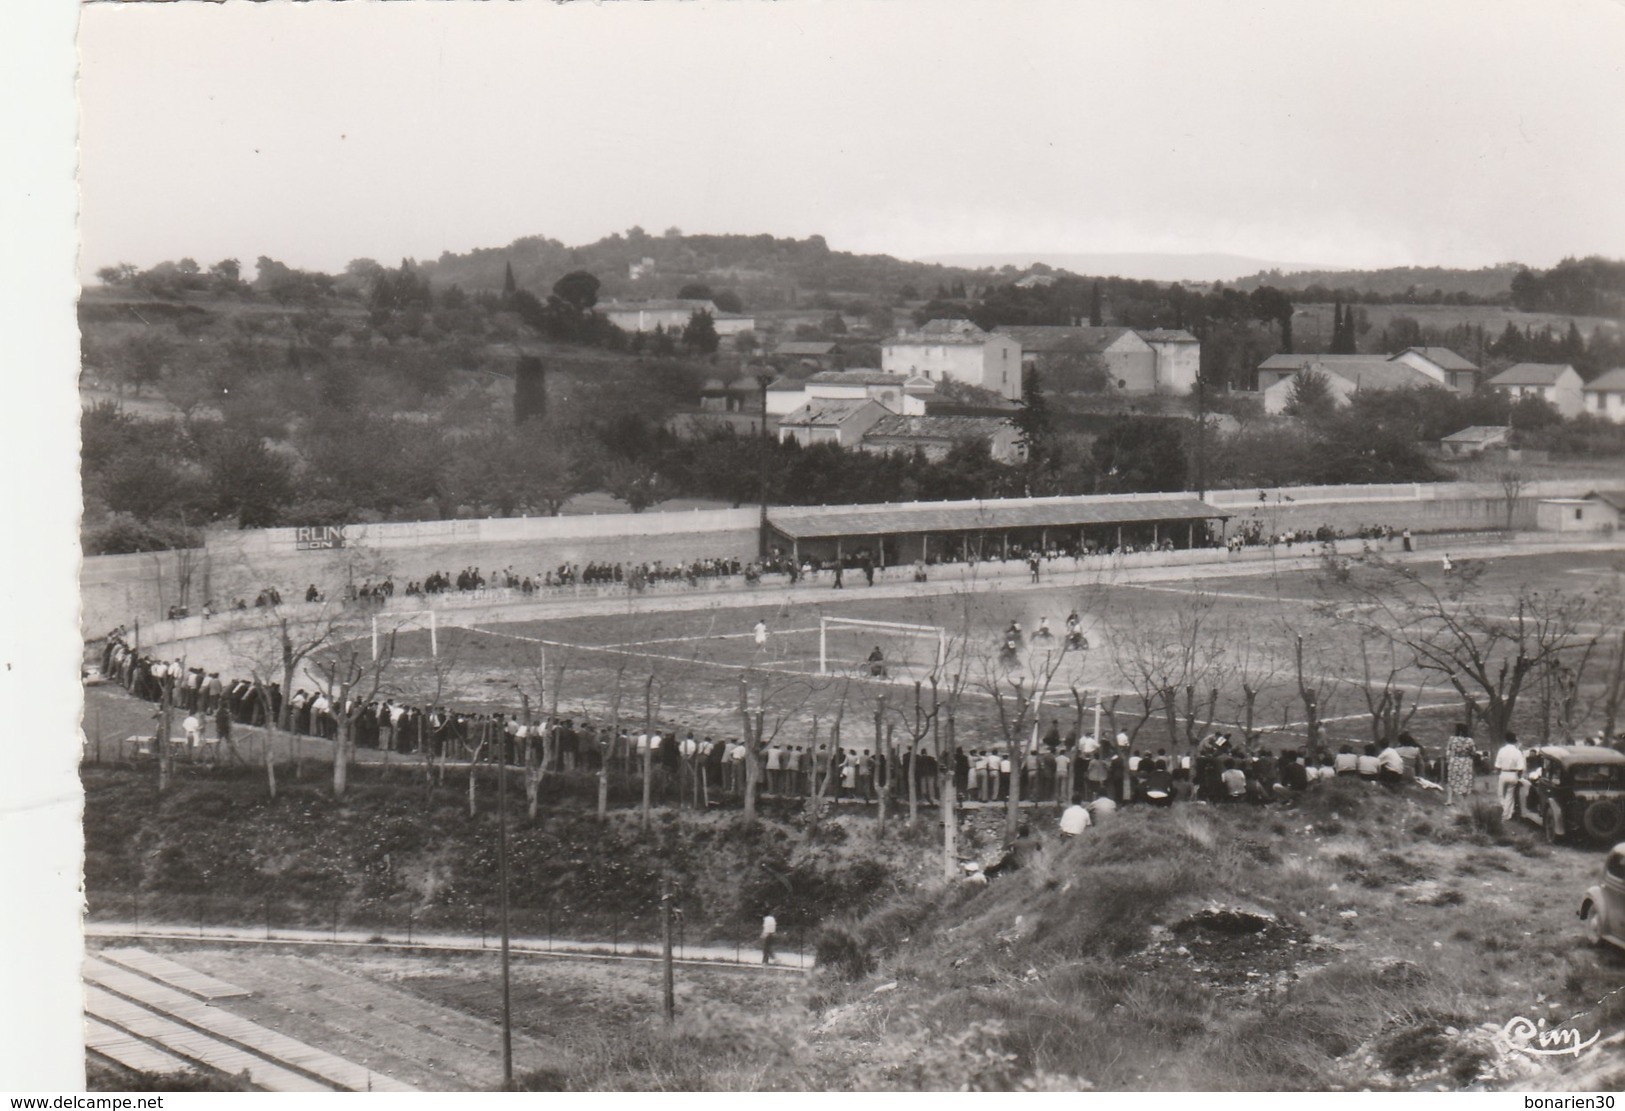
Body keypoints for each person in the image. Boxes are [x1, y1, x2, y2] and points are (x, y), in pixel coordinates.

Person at [1495, 732, 1527, 820]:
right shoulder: (1517, 752)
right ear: (1515, 741)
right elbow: (1520, 768)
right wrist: (1518, 777)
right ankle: (1507, 814)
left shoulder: (1501, 750)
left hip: (1503, 773)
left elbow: (1497, 766)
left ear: (1506, 740)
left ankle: (1505, 812)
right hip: (1513, 774)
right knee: (1510, 795)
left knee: (1501, 795)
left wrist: (1500, 774)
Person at [1445, 723, 1477, 807]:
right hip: (1466, 762)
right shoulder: (1470, 740)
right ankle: (1464, 802)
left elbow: (1448, 751)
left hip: (1454, 761)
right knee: (1465, 780)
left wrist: (1449, 760)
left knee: (1452, 780)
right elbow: (1473, 752)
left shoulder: (1452, 739)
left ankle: (1449, 800)